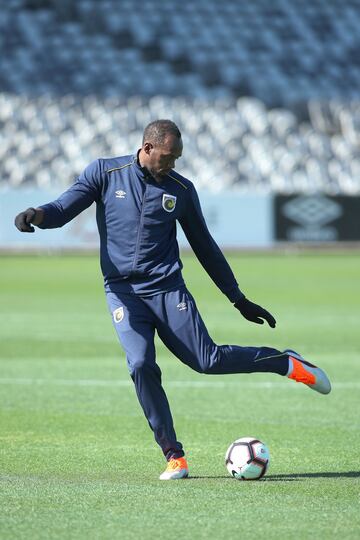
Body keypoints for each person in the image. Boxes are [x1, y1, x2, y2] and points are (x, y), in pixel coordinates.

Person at [15, 119, 331, 480]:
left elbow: (205, 247)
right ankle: (174, 456)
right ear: (147, 148)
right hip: (121, 292)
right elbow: (62, 208)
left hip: (166, 289)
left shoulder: (181, 189)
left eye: (178, 158)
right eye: (168, 157)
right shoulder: (105, 172)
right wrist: (35, 215)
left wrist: (237, 298)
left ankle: (283, 362)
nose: (173, 165)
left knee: (207, 361)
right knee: (140, 364)